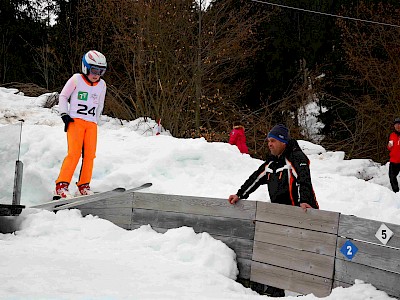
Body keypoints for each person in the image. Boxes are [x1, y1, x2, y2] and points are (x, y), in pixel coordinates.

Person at [228, 124, 318, 297]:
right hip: (280, 215)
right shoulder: (272, 163)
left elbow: (304, 179)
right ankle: (272, 286)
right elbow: (255, 178)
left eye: (273, 141)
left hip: (302, 212)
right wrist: (240, 194)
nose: (269, 144)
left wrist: (305, 201)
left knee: (298, 251)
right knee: (274, 247)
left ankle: (303, 287)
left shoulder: (296, 157)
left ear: (283, 141)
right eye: (268, 141)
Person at [54, 50, 107, 199]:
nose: (97, 75)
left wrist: (95, 120)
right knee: (74, 153)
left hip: (91, 124)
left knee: (90, 155)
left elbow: (100, 104)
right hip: (75, 121)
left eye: (101, 71)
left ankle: (83, 185)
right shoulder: (76, 79)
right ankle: (61, 185)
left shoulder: (102, 84)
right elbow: (63, 96)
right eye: (94, 70)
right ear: (86, 67)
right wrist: (64, 114)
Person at [387, 117, 400, 193]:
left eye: (399, 124)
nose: (398, 126)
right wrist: (389, 146)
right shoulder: (392, 135)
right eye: (396, 125)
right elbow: (389, 148)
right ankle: (396, 193)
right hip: (394, 161)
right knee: (392, 177)